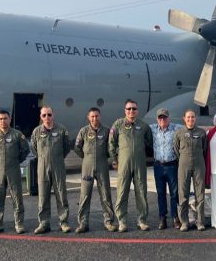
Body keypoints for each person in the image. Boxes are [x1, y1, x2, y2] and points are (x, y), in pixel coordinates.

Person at [109, 99, 153, 232]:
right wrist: (114, 160)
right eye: (129, 109)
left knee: (141, 192)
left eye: (134, 109)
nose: (131, 111)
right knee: (122, 193)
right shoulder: (118, 124)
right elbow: (111, 143)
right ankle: (122, 221)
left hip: (139, 164)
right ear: (125, 110)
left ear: (137, 111)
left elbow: (149, 144)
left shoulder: (144, 126)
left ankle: (142, 220)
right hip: (124, 164)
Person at [0, 110, 30, 234]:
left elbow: (25, 150)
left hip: (13, 170)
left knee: (17, 198)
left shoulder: (17, 135)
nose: (3, 121)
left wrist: (15, 161)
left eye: (5, 118)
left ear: (10, 119)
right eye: (0, 118)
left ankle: (19, 223)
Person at [74, 107, 117, 233]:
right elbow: (77, 147)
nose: (94, 118)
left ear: (100, 116)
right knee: (85, 195)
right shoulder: (83, 131)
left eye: (96, 116)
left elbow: (111, 147)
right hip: (87, 166)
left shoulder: (106, 131)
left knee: (105, 194)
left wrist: (109, 158)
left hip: (102, 165)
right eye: (92, 116)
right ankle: (83, 223)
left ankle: (108, 221)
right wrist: (86, 156)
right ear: (88, 117)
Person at [31, 106, 72, 234]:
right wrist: (44, 158)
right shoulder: (37, 131)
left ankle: (64, 222)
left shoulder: (61, 130)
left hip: (58, 166)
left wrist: (57, 158)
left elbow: (67, 147)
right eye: (44, 115)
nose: (47, 117)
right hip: (42, 167)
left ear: (53, 115)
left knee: (61, 195)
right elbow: (34, 148)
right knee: (43, 196)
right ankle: (44, 223)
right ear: (40, 116)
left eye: (49, 114)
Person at [174, 109, 207, 232]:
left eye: (192, 117)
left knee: (200, 194)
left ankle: (200, 222)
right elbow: (176, 149)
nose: (190, 119)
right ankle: (184, 222)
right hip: (184, 164)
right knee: (183, 194)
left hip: (199, 164)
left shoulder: (202, 133)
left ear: (195, 118)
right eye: (188, 117)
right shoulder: (179, 133)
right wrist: (184, 158)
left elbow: (205, 148)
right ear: (184, 118)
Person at [149, 108, 183, 230]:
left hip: (172, 166)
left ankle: (175, 217)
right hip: (158, 166)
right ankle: (162, 218)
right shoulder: (152, 129)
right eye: (160, 118)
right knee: (161, 193)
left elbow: (190, 127)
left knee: (174, 193)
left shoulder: (177, 128)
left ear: (169, 118)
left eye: (164, 117)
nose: (162, 120)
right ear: (157, 119)